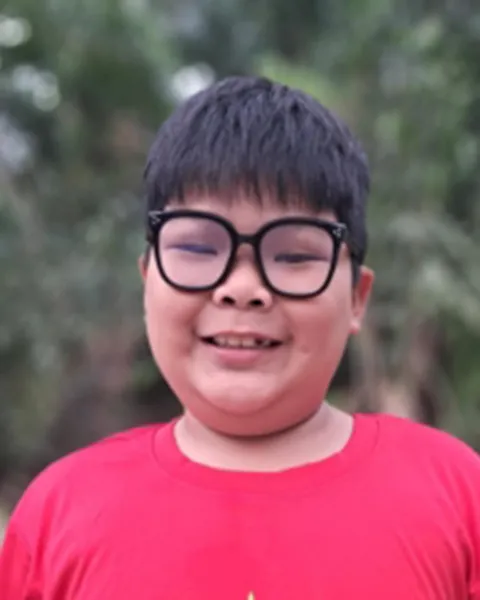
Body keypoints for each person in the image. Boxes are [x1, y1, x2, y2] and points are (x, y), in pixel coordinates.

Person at [0, 75, 479, 600]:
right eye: (198, 248)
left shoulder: (457, 495)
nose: (242, 289)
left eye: (293, 254)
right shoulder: (61, 511)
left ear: (357, 298)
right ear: (147, 282)